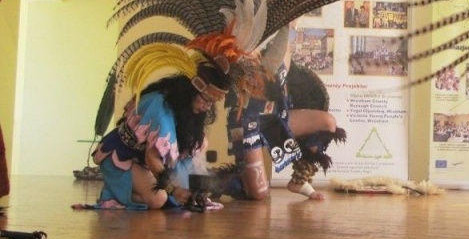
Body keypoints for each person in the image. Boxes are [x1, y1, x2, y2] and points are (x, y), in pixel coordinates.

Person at [222, 26, 346, 201]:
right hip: (248, 125)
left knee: (328, 122)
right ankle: (219, 181)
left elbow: (283, 72)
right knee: (258, 193)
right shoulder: (242, 56)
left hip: (276, 118)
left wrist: (289, 24)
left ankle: (299, 180)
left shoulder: (280, 53)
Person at [89, 58, 231, 210]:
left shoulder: (185, 110)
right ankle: (114, 193)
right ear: (191, 91)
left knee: (186, 193)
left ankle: (134, 187)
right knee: (159, 199)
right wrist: (173, 189)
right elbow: (152, 158)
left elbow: (185, 155)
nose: (207, 107)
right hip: (121, 157)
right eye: (206, 100)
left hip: (143, 162)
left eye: (211, 103)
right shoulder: (160, 107)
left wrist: (198, 186)